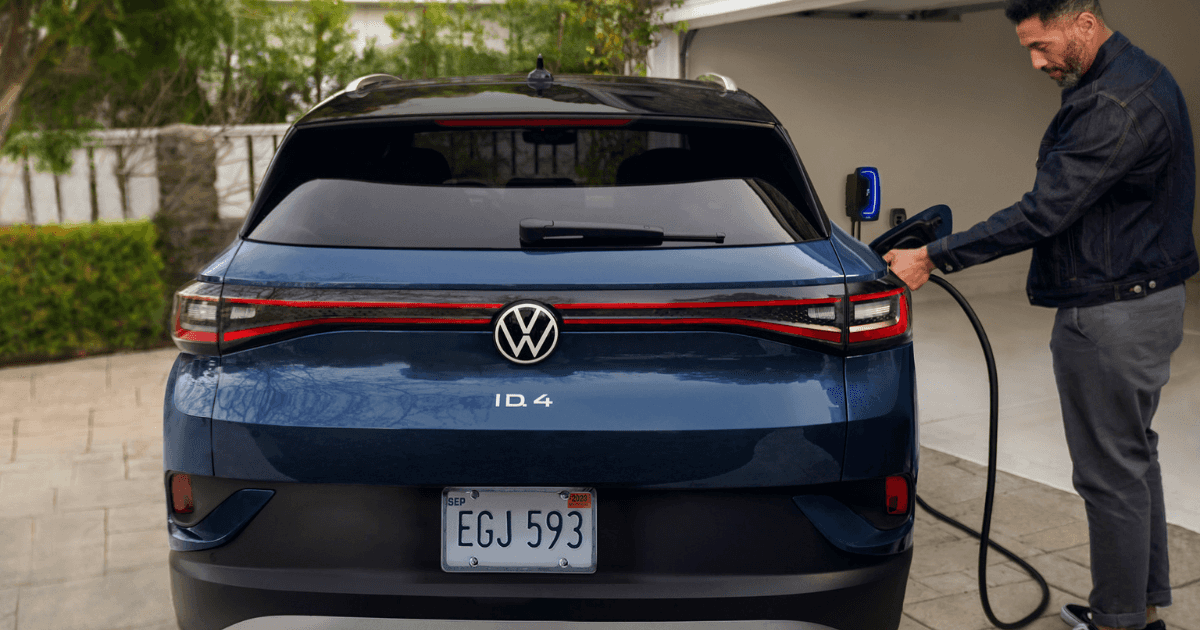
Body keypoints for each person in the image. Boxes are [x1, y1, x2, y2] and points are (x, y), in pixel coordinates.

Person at [883, 1, 1196, 629]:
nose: (1036, 61)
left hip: (1111, 315)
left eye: (1042, 45)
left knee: (1111, 477)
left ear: (1083, 22)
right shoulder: (1138, 75)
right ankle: (1136, 607)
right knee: (1134, 461)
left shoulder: (1114, 105)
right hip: (1146, 299)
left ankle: (1118, 623)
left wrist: (934, 258)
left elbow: (1043, 211)